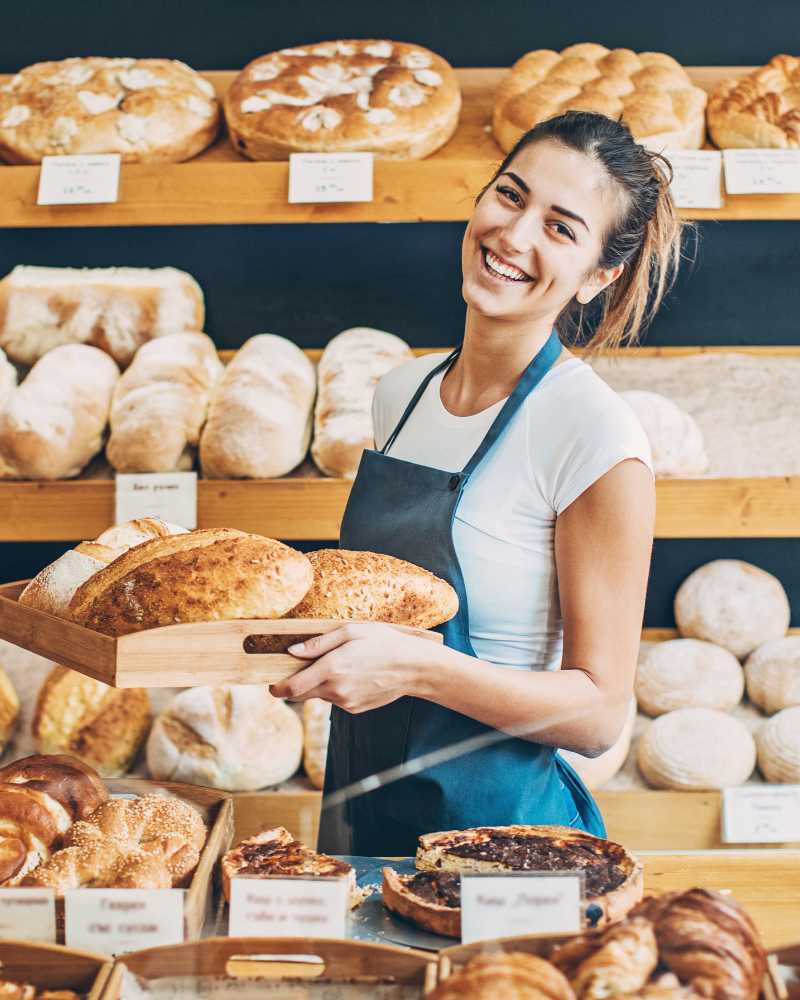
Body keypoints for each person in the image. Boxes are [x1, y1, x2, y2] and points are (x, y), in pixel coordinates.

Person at [271, 110, 683, 856]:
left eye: (561, 228)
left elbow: (597, 714)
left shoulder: (595, 436)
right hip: (364, 817)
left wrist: (416, 667)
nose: (515, 236)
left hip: (507, 849)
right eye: (510, 196)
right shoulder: (399, 394)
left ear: (599, 275)